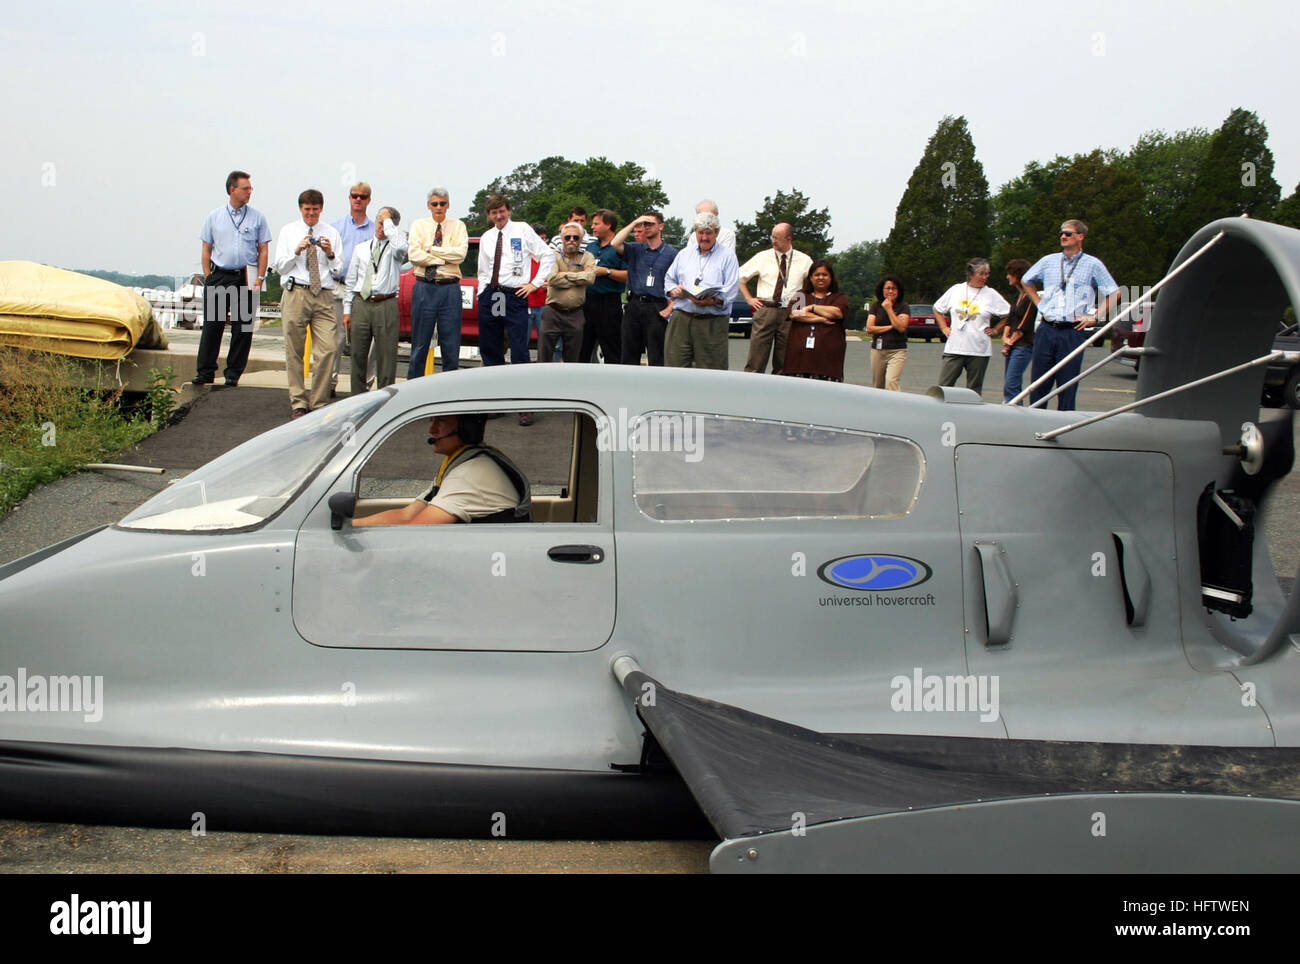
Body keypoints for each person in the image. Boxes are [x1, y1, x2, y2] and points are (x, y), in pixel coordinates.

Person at [353, 414, 530, 525]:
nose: (432, 429)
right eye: (432, 421)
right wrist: (352, 526)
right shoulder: (463, 461)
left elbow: (416, 531)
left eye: (441, 422)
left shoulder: (469, 474)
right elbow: (406, 515)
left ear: (467, 429)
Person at [1023, 219, 1121, 410]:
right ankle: (1033, 422)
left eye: (1068, 233)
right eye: (1061, 233)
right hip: (1046, 328)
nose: (1063, 236)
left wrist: (1095, 317)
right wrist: (1039, 304)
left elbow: (1114, 292)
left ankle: (1063, 425)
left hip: (1071, 331)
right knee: (1039, 382)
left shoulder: (1093, 264)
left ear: (1080, 237)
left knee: (1067, 383)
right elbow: (1026, 280)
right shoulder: (1048, 261)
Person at [194, 170, 270, 387]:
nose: (249, 192)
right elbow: (206, 248)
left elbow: (263, 248)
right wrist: (209, 276)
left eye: (250, 188)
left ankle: (233, 373)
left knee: (242, 328)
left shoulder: (257, 218)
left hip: (245, 277)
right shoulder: (214, 216)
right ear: (232, 189)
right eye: (245, 188)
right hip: (220, 275)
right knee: (213, 325)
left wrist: (261, 277)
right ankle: (205, 371)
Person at [274, 189, 343, 417]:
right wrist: (297, 250)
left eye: (315, 209)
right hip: (297, 292)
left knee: (328, 349)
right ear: (300, 209)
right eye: (307, 210)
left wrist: (330, 253)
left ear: (321, 209)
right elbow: (280, 267)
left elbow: (339, 269)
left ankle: (319, 401)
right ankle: (298, 401)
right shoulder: (288, 231)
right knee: (294, 349)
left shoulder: (331, 232)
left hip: (323, 294)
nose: (311, 214)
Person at [342, 206, 407, 394]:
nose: (380, 227)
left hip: (385, 303)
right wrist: (347, 309)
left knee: (386, 357)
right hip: (362, 302)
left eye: (385, 223)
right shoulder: (361, 248)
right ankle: (357, 400)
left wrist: (388, 223)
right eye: (379, 221)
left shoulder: (395, 249)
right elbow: (351, 280)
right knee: (358, 355)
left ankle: (384, 402)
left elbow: (402, 247)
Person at [663, 212, 740, 370]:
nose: (704, 237)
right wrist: (674, 291)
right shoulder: (684, 254)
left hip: (712, 321)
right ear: (695, 232)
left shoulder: (728, 256)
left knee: (712, 371)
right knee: (674, 366)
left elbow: (731, 289)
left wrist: (712, 301)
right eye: (700, 233)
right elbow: (669, 279)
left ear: (716, 233)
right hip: (682, 318)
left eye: (708, 233)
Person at [407, 188, 469, 377]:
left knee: (451, 345)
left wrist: (431, 250)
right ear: (429, 206)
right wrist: (444, 257)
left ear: (448, 205)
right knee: (419, 344)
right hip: (425, 287)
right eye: (435, 204)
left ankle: (449, 393)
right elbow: (414, 255)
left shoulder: (458, 226)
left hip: (449, 289)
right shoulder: (418, 225)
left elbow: (460, 255)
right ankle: (413, 389)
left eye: (442, 203)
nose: (439, 207)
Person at [737, 223, 813, 374]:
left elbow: (812, 283)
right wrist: (749, 299)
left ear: (789, 239)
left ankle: (781, 389)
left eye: (777, 238)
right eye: (772, 237)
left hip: (790, 312)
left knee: (785, 358)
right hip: (766, 309)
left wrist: (804, 304)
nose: (773, 241)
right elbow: (739, 278)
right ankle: (751, 387)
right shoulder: (762, 257)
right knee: (756, 356)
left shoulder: (804, 260)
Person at [610, 211, 678, 366]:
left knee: (656, 354)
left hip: (657, 305)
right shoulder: (636, 249)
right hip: (634, 303)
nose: (646, 227)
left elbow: (681, 282)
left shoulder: (672, 254)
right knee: (629, 352)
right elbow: (615, 243)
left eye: (650, 224)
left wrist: (670, 308)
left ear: (661, 226)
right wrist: (635, 222)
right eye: (644, 224)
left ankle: (657, 387)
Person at [933, 258, 1010, 395]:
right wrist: (944, 328)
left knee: (974, 390)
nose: (984, 277)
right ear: (970, 273)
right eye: (981, 273)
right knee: (944, 386)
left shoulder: (991, 294)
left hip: (979, 350)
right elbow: (937, 309)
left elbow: (1009, 313)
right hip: (955, 347)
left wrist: (996, 329)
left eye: (987, 274)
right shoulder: (956, 289)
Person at [330, 182, 374, 394]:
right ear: (349, 198)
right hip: (338, 287)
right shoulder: (335, 228)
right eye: (354, 195)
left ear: (369, 200)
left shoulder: (376, 230)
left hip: (364, 292)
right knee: (335, 340)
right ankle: (329, 384)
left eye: (363, 196)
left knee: (366, 343)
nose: (358, 199)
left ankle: (364, 387)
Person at [782, 259, 850, 381]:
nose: (820, 278)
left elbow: (837, 313)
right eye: (817, 274)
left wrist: (812, 307)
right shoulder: (801, 295)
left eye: (825, 274)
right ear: (811, 278)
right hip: (799, 358)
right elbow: (795, 314)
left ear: (831, 278)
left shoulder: (839, 297)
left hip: (828, 358)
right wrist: (821, 319)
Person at [540, 224, 597, 363]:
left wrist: (564, 274)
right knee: (544, 355)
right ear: (562, 238)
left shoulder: (587, 256)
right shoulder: (552, 255)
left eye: (576, 237)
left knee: (573, 357)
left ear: (581, 240)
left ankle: (569, 383)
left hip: (576, 313)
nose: (572, 240)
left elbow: (590, 278)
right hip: (553, 311)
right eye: (568, 237)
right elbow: (552, 279)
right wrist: (578, 276)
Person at [580, 209, 628, 364]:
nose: (592, 227)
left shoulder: (620, 248)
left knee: (611, 349)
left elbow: (627, 275)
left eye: (596, 224)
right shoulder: (591, 247)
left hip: (608, 303)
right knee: (583, 347)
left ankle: (613, 384)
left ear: (608, 225)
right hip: (587, 301)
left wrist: (606, 272)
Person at [997, 259, 1038, 405]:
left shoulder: (1030, 298)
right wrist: (1004, 337)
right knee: (1010, 382)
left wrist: (1010, 342)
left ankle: (1014, 411)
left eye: (1010, 273)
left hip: (1023, 345)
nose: (1008, 276)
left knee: (1011, 383)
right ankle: (1012, 407)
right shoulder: (1017, 297)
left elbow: (1024, 324)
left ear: (1018, 275)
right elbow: (1010, 319)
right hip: (1012, 344)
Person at [865, 274, 911, 391]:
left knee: (891, 381)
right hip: (878, 351)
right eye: (888, 288)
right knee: (878, 385)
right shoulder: (875, 306)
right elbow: (870, 328)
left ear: (899, 291)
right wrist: (891, 326)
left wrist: (889, 309)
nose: (891, 291)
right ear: (882, 290)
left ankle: (895, 407)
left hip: (897, 351)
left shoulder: (903, 306)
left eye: (894, 288)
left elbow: (901, 328)